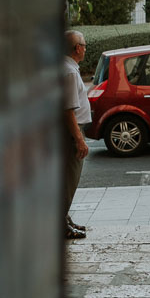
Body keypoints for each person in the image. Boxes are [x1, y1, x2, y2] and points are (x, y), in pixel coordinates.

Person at [62, 30, 91, 240]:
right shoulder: (69, 72)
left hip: (70, 131)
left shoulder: (68, 67)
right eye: (84, 45)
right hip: (72, 132)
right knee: (69, 180)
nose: (86, 48)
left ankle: (64, 219)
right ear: (77, 48)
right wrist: (79, 140)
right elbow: (68, 109)